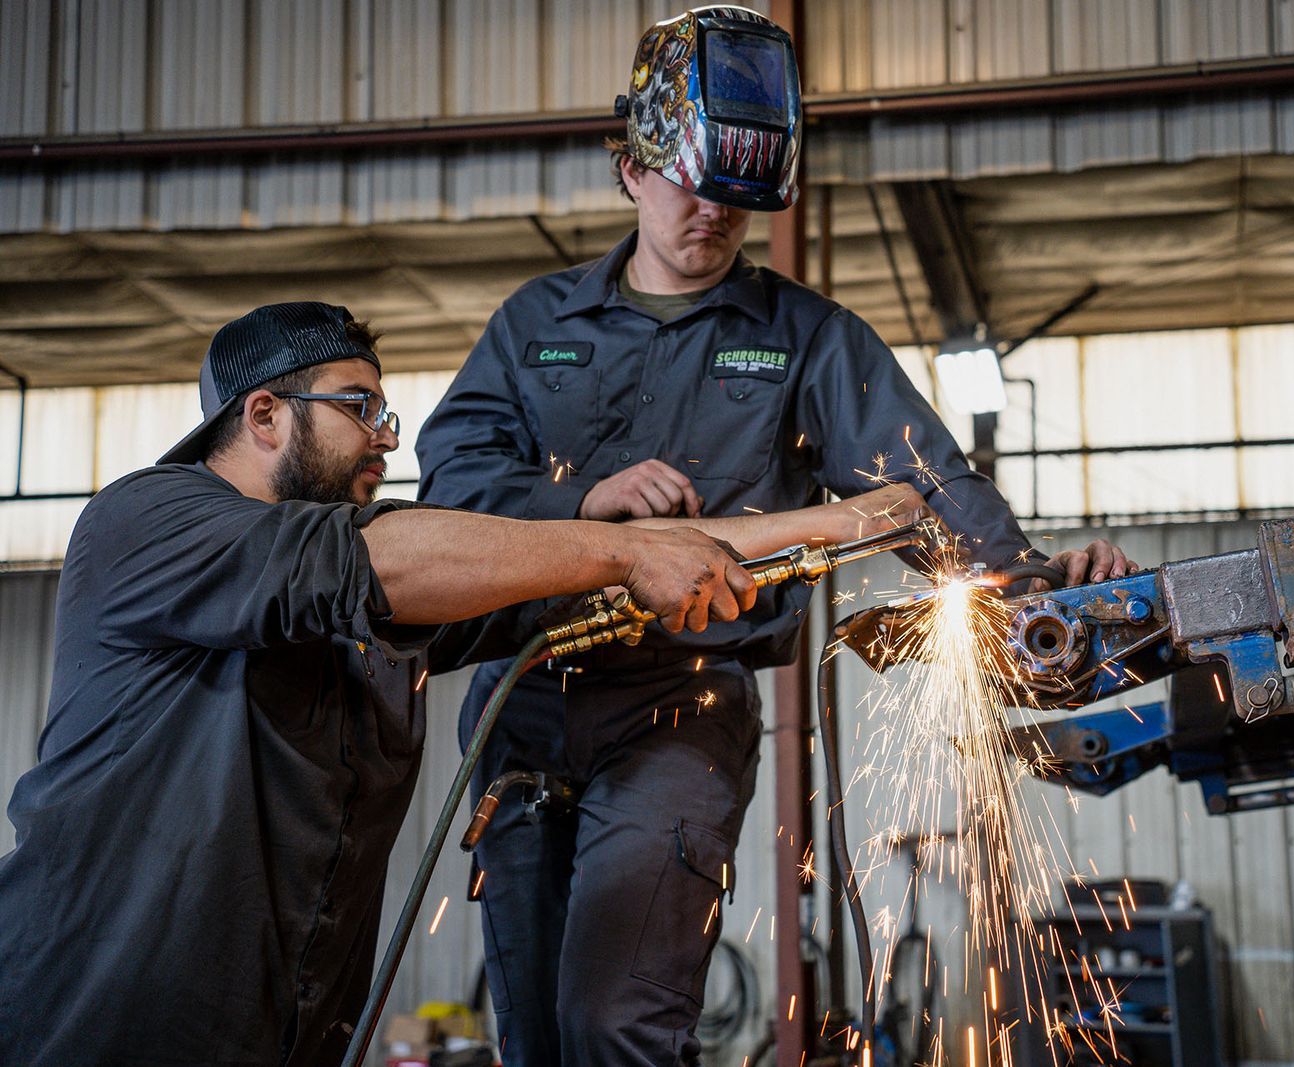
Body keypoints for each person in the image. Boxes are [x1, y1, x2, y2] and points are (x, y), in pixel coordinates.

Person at [415, 8, 1131, 1064]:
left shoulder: (809, 339)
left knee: (614, 1022)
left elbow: (923, 484)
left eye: (737, 197)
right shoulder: (534, 325)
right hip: (521, 704)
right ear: (630, 168)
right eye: (689, 186)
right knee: (534, 1037)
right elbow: (453, 484)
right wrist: (587, 502)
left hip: (679, 706)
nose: (713, 213)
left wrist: (1033, 592)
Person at [0, 301, 761, 1067]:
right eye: (359, 407)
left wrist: (814, 528)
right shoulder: (145, 520)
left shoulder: (364, 603)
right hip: (90, 1025)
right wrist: (624, 553)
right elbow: (376, 558)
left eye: (384, 412)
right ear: (265, 415)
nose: (388, 436)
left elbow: (526, 577)